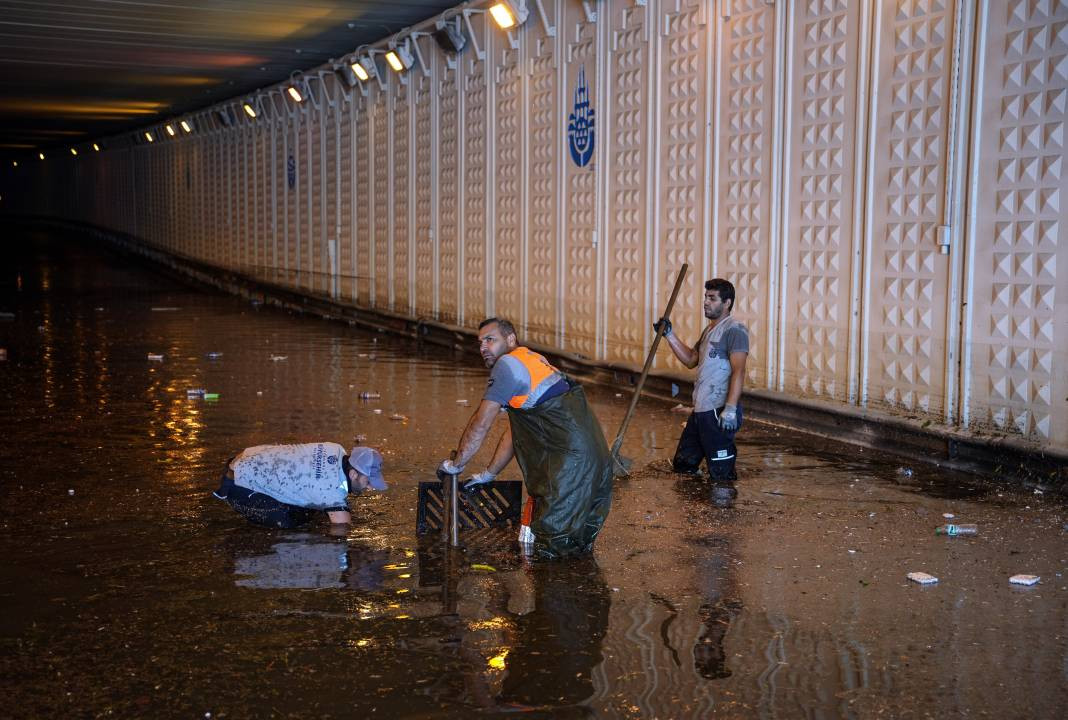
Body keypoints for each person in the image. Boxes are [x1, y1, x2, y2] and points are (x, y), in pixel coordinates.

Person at [438, 317, 614, 559]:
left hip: (571, 469)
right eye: (480, 342)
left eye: (490, 339)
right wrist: (489, 474)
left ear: (510, 339)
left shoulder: (507, 364)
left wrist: (456, 465)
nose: (483, 347)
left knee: (552, 552)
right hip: (597, 463)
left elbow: (481, 422)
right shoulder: (532, 359)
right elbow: (517, 431)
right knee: (578, 552)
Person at [655, 278, 749, 507]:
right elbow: (691, 360)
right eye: (706, 297)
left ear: (727, 302)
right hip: (701, 411)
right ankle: (695, 508)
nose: (706, 302)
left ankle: (722, 515)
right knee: (683, 465)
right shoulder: (709, 330)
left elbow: (739, 371)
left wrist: (730, 409)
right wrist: (669, 335)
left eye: (712, 298)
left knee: (721, 475)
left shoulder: (734, 330)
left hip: (718, 411)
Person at [213, 443, 386, 528]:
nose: (370, 488)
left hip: (243, 457)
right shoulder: (332, 493)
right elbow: (342, 528)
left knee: (311, 506)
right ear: (353, 474)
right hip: (239, 485)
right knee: (292, 521)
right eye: (368, 482)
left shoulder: (336, 448)